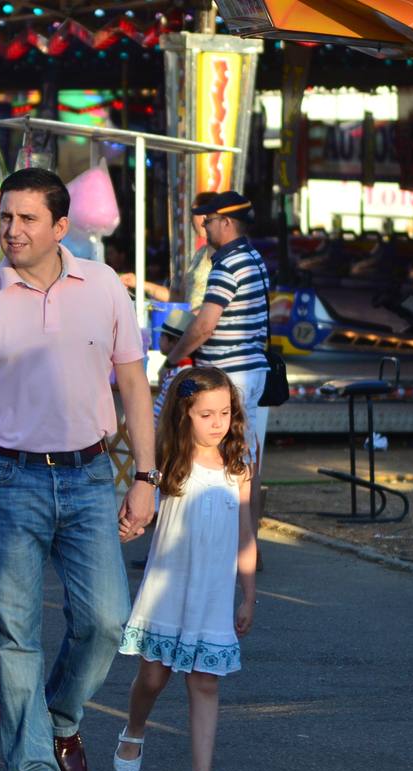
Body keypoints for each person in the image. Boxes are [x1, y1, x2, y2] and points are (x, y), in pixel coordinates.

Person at [0, 167, 157, 771]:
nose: (12, 230)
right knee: (16, 631)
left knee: (107, 620)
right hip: (5, 479)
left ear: (62, 227)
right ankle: (31, 769)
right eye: (6, 217)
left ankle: (60, 718)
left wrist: (145, 477)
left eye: (28, 219)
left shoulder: (104, 288)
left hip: (89, 477)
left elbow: (134, 386)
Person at [113, 366, 256, 771]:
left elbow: (246, 533)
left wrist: (248, 594)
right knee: (153, 677)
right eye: (206, 415)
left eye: (225, 413)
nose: (218, 424)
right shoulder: (165, 463)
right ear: (183, 415)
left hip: (213, 594)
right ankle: (134, 728)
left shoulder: (239, 467)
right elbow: (141, 511)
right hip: (169, 590)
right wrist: (131, 525)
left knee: (205, 680)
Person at [164, 190, 271, 542]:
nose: (205, 227)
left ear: (226, 221)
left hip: (228, 374)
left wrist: (173, 355)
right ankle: (247, 545)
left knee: (219, 460)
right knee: (245, 461)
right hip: (251, 371)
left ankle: (218, 544)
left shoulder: (227, 264)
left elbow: (205, 325)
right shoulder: (253, 258)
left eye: (209, 221)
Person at [118, 191, 219, 309]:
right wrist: (139, 284)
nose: (192, 219)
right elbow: (180, 298)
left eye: (194, 213)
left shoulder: (224, 253)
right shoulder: (199, 254)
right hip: (191, 323)